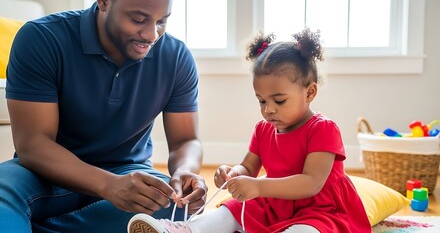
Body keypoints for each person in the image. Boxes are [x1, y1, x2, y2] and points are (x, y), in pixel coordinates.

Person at [127, 28, 372, 233]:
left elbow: (311, 183)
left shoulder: (323, 129)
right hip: (276, 203)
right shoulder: (264, 129)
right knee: (231, 209)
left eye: (279, 100)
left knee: (305, 230)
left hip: (321, 210)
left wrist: (258, 187)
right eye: (262, 101)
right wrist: (233, 173)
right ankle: (185, 230)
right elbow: (249, 167)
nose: (269, 110)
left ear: (309, 92)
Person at [0, 0, 208, 232]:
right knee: (2, 190)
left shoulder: (177, 57)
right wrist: (108, 185)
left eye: (162, 21)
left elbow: (186, 140)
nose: (152, 35)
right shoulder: (42, 38)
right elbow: (33, 144)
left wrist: (185, 171)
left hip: (126, 171)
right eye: (138, 19)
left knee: (171, 205)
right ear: (104, 0)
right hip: (44, 174)